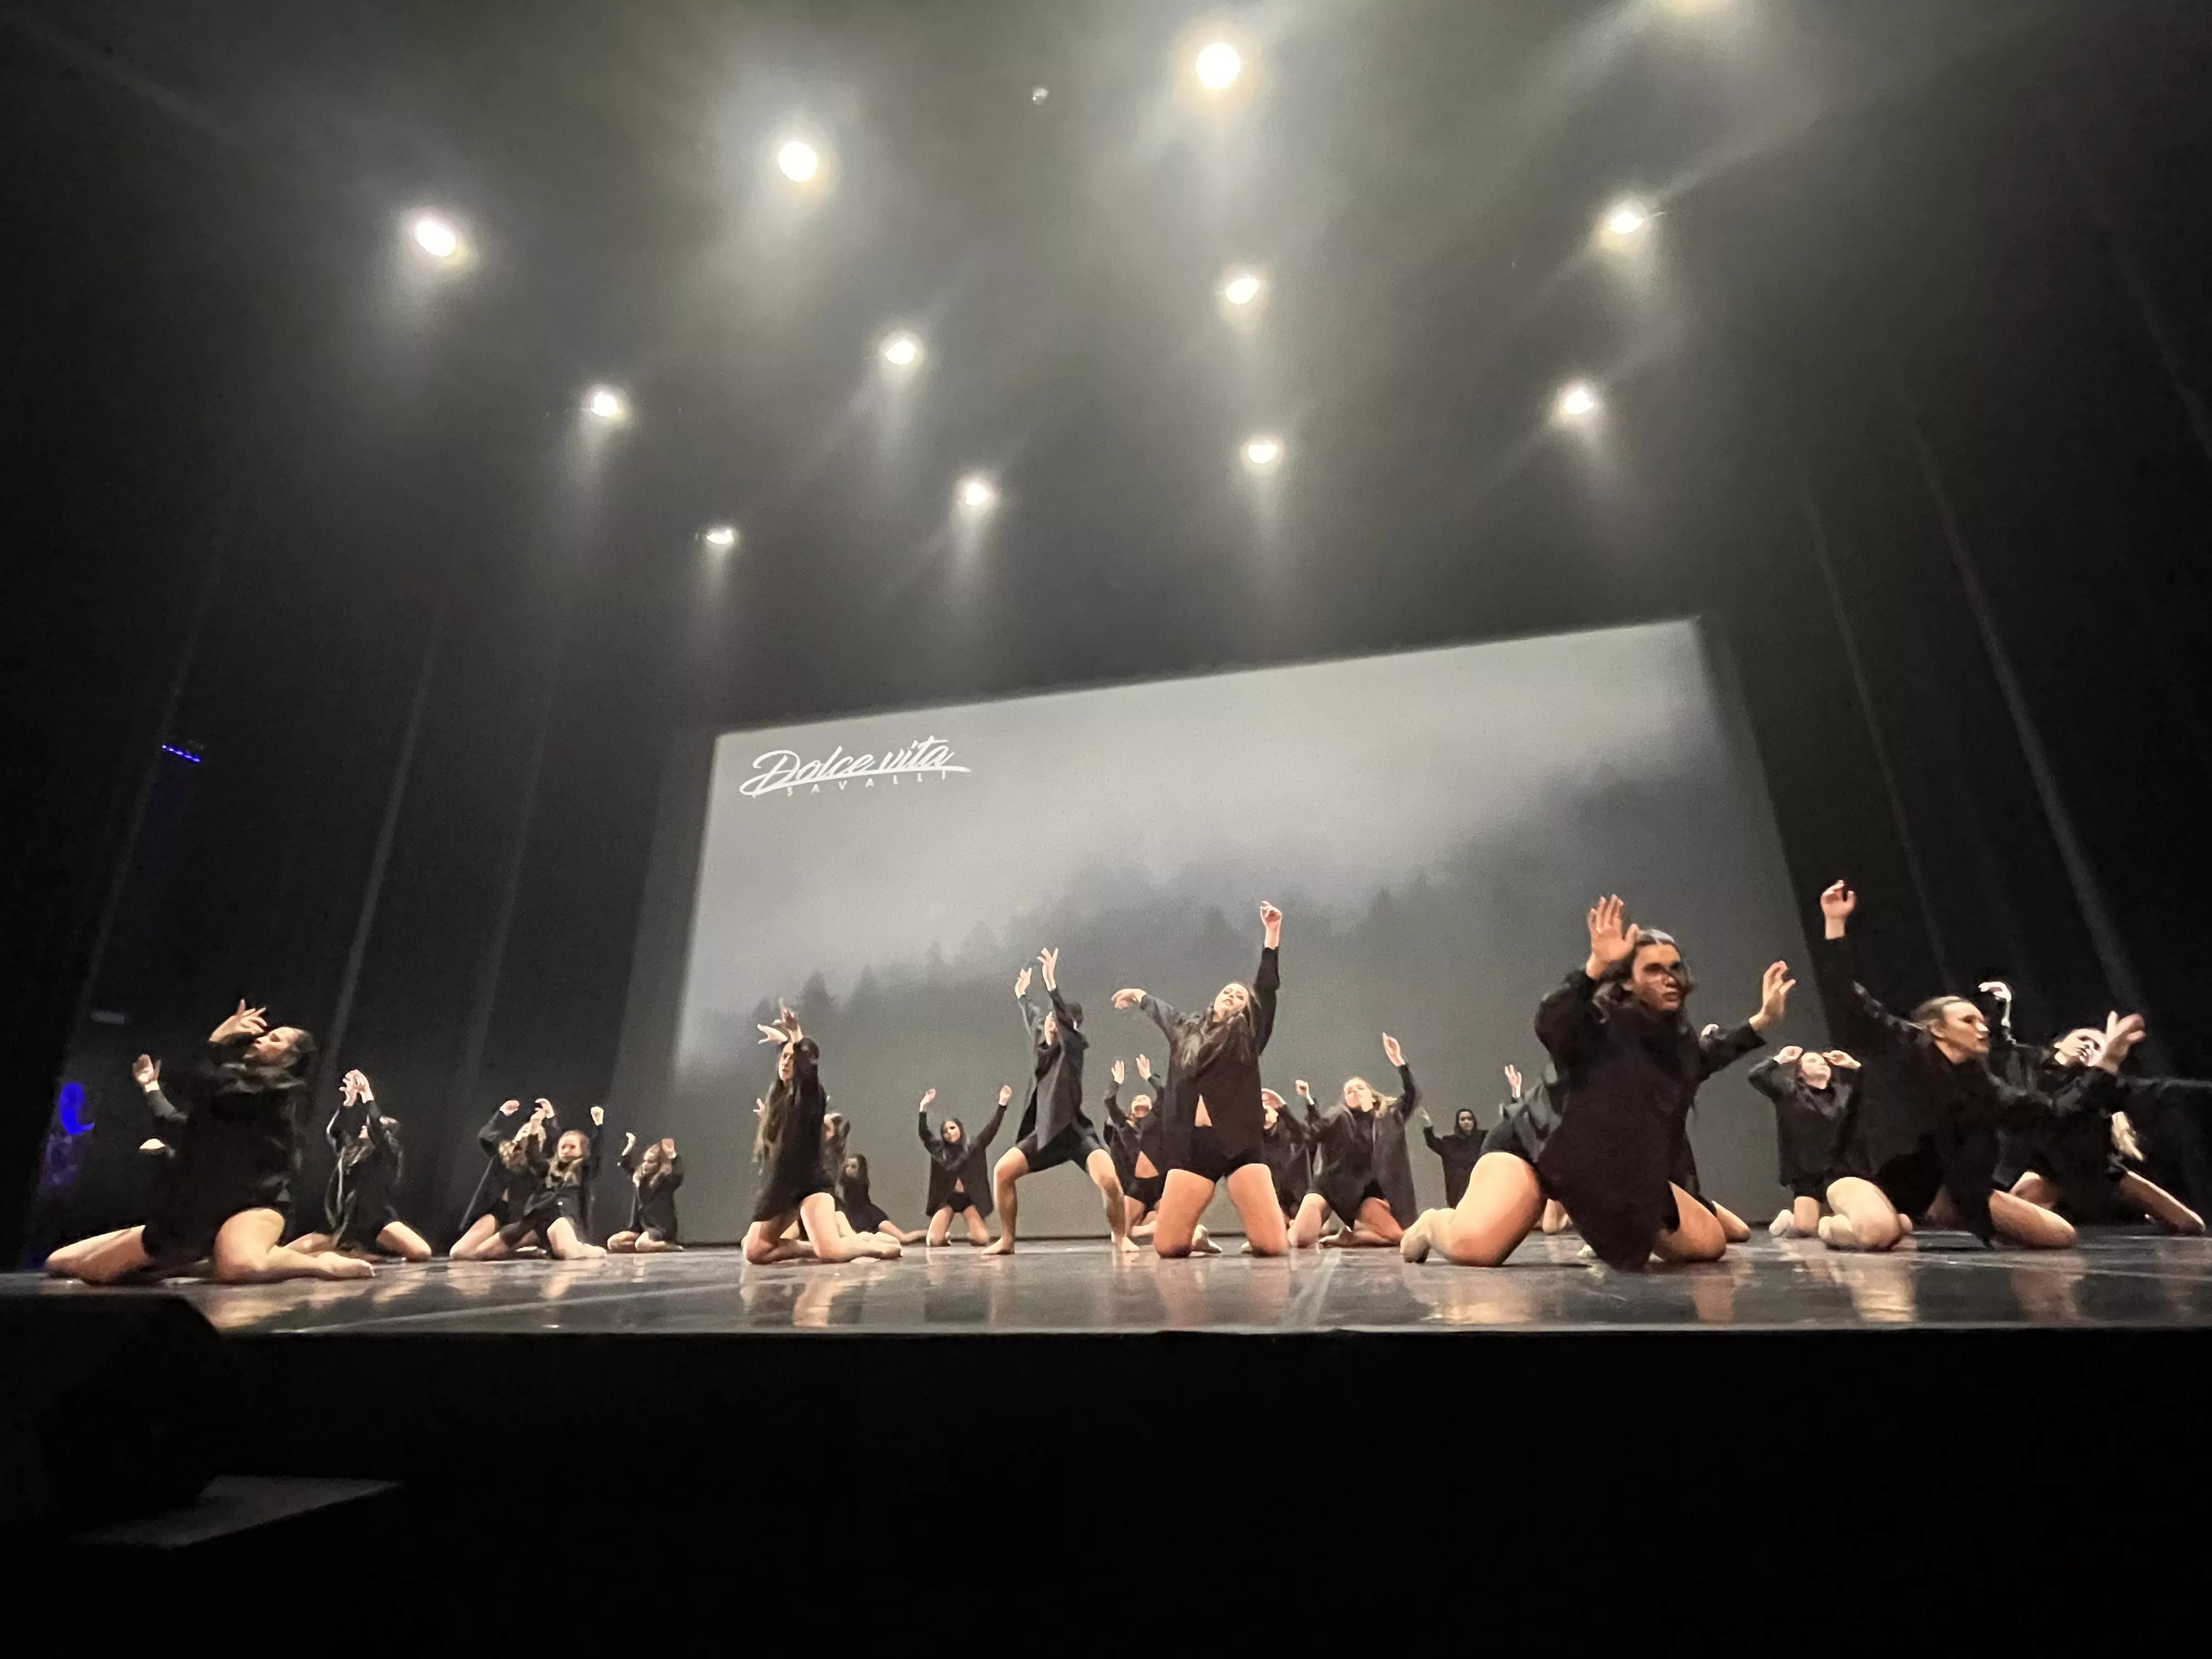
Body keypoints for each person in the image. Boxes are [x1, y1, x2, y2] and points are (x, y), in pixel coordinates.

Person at [1403, 895, 1787, 1269]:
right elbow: (1552, 1021)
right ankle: (1432, 1224)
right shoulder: (1597, 1024)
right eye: (1653, 969)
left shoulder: (1675, 1042)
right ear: (1628, 982)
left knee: (1708, 1245)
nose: (1670, 979)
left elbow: (1704, 1057)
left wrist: (1762, 1022)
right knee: (1477, 1247)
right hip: (1537, 1150)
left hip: (1607, 1173)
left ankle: (1596, 1220)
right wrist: (1594, 966)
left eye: (1674, 968)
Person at [1809, 880, 2143, 1251]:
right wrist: (1835, 924)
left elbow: (2052, 1113)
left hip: (1936, 1191)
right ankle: (1834, 1229)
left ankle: (1914, 1218)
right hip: (1863, 1176)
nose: (1982, 1027)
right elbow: (1847, 997)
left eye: (1980, 1020)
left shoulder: (1980, 1084)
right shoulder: (1901, 1043)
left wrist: (2108, 1062)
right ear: (1936, 1029)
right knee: (1880, 1233)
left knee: (2059, 1236)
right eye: (1968, 1021)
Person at [46, 1001, 372, 1285]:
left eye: (274, 1039)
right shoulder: (231, 1091)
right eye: (264, 1034)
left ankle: (318, 1264)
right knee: (62, 1263)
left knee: (240, 1265)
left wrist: (219, 1041)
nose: (260, 1039)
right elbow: (180, 1125)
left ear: (289, 1058)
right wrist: (150, 1088)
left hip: (253, 1204)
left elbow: (206, 1084)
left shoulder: (274, 1093)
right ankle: (198, 1260)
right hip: (199, 1211)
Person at [1115, 901, 1288, 1257]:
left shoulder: (1249, 1032)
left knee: (1272, 1247)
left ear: (1246, 1008)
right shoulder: (1187, 1029)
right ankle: (1197, 1235)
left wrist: (1272, 935)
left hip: (1239, 1142)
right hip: (1195, 1146)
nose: (1233, 995)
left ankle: (1259, 1231)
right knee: (1168, 1247)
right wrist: (1141, 996)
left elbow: (1266, 991)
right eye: (1228, 991)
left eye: (1241, 996)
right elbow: (1166, 1014)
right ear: (1215, 999)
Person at [1974, 997, 2205, 1235]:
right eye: (2084, 1038)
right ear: (2060, 1044)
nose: (2089, 1046)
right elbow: (2002, 1049)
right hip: (2044, 1168)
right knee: (2012, 1222)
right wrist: (2001, 1013)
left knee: (2190, 1224)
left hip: (2098, 1171)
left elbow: (2159, 1090)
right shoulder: (2031, 1067)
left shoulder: (2103, 1084)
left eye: (2098, 1046)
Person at [986, 949, 1130, 1254]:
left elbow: (1061, 1020)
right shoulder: (1043, 1033)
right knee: (1002, 1172)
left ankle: (1121, 1236)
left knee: (1110, 1182)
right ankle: (1007, 1241)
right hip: (1045, 1132)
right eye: (1052, 1019)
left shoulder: (1073, 1049)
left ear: (1072, 1029)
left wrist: (1052, 985)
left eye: (1059, 1021)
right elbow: (1034, 1016)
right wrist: (1021, 995)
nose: (1052, 1023)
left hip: (1074, 1133)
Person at [744, 1011, 901, 1265]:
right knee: (755, 1251)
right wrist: (785, 1042)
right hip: (783, 1187)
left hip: (810, 1185)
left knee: (831, 1253)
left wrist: (795, 1034)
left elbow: (806, 1076)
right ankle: (815, 1248)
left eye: (793, 1059)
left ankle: (870, 1246)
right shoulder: (779, 1099)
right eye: (783, 1058)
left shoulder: (812, 1095)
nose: (786, 1063)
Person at [288, 1068, 432, 1262]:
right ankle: (349, 1253)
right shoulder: (350, 1151)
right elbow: (335, 1131)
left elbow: (375, 1127)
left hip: (375, 1220)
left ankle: (362, 1255)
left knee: (421, 1252)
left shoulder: (387, 1154)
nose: (365, 1126)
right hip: (342, 1224)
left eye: (378, 1125)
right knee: (287, 1252)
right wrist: (348, 1101)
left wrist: (367, 1095)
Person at [1289, 1035, 1419, 1248]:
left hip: (1362, 1193)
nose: (1355, 1092)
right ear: (1345, 1099)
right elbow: (1314, 1132)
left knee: (1398, 1237)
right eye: (1349, 1091)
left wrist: (1399, 1062)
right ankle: (1285, 1230)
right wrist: (1308, 1103)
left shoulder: (1389, 1117)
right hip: (1330, 1185)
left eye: (1360, 1087)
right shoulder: (1339, 1118)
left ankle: (1349, 1238)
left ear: (1372, 1094)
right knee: (1301, 1240)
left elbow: (1412, 1095)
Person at [1746, 1046, 1869, 1238]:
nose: (1821, 1063)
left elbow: (1872, 1086)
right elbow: (1756, 1076)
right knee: (1805, 1229)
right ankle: (1793, 1220)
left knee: (1858, 1221)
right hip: (1807, 1170)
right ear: (1801, 1074)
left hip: (1842, 1169)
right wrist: (1780, 1058)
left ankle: (1830, 1225)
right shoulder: (1789, 1092)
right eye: (1812, 1061)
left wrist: (1853, 1065)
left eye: (1824, 1062)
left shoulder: (1845, 1093)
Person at [452, 1100, 552, 1260]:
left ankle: (518, 1248)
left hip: (521, 1217)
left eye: (534, 1132)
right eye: (525, 1129)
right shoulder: (505, 1153)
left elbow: (557, 1146)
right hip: (497, 1211)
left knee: (483, 1252)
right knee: (459, 1253)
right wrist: (501, 1115)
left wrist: (549, 1119)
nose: (528, 1132)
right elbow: (486, 1136)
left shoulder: (541, 1163)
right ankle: (518, 1253)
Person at [506, 1106, 608, 1260]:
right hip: (540, 1218)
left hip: (567, 1219)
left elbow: (597, 1153)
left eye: (572, 1147)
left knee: (566, 1249)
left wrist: (598, 1125)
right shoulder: (549, 1168)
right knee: (487, 1252)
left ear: (582, 1151)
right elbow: (534, 1157)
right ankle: (539, 1248)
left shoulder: (583, 1169)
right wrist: (534, 1128)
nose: (566, 1151)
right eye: (563, 1147)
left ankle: (586, 1250)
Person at [919, 1086, 1010, 1245]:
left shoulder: (973, 1146)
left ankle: (974, 1231)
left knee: (981, 1239)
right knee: (933, 1241)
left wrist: (1002, 1104)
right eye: (946, 1131)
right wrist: (923, 1108)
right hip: (947, 1199)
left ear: (960, 1129)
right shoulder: (940, 1150)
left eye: (953, 1128)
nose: (950, 1133)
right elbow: (924, 1134)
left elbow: (991, 1130)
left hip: (969, 1199)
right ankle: (944, 1236)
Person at [1103, 1057, 1166, 1239]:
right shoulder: (1123, 1126)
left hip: (1160, 1186)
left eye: (1145, 1097)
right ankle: (1149, 1228)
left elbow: (1164, 1092)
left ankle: (1156, 1224)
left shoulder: (1156, 1121)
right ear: (1130, 1109)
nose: (1140, 1097)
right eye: (1137, 1098)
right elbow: (1109, 1102)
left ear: (1152, 1107)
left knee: (1169, 1220)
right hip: (1138, 1187)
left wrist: (1149, 1076)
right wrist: (1117, 1082)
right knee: (1122, 1231)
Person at [607, 1134, 684, 1252]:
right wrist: (630, 1146)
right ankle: (645, 1247)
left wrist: (672, 1155)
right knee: (613, 1243)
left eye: (651, 1162)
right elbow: (625, 1165)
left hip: (658, 1227)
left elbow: (678, 1174)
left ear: (659, 1164)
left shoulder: (665, 1182)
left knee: (642, 1244)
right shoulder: (640, 1180)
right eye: (645, 1161)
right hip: (640, 1226)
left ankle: (668, 1246)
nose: (645, 1165)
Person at [836, 1151, 926, 1246]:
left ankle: (929, 1233)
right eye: (847, 1166)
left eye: (853, 1167)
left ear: (860, 1169)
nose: (849, 1169)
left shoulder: (860, 1183)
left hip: (870, 1216)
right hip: (855, 1216)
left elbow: (860, 1203)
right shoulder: (846, 1182)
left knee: (903, 1238)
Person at [1421, 1094, 1488, 1209]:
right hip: (1457, 1193)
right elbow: (1433, 1143)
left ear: (1474, 1121)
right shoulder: (1450, 1143)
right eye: (1463, 1119)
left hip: (1480, 1189)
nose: (1466, 1122)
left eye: (1469, 1119)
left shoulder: (1483, 1139)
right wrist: (1428, 1126)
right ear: (1458, 1122)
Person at [1260, 1084, 1312, 1222]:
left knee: (1309, 1222)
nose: (1263, 1114)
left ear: (1277, 1114)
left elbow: (1307, 1133)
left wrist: (1283, 1107)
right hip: (1275, 1198)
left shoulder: (1293, 1135)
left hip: (1298, 1194)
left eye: (1266, 1111)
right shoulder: (1255, 1141)